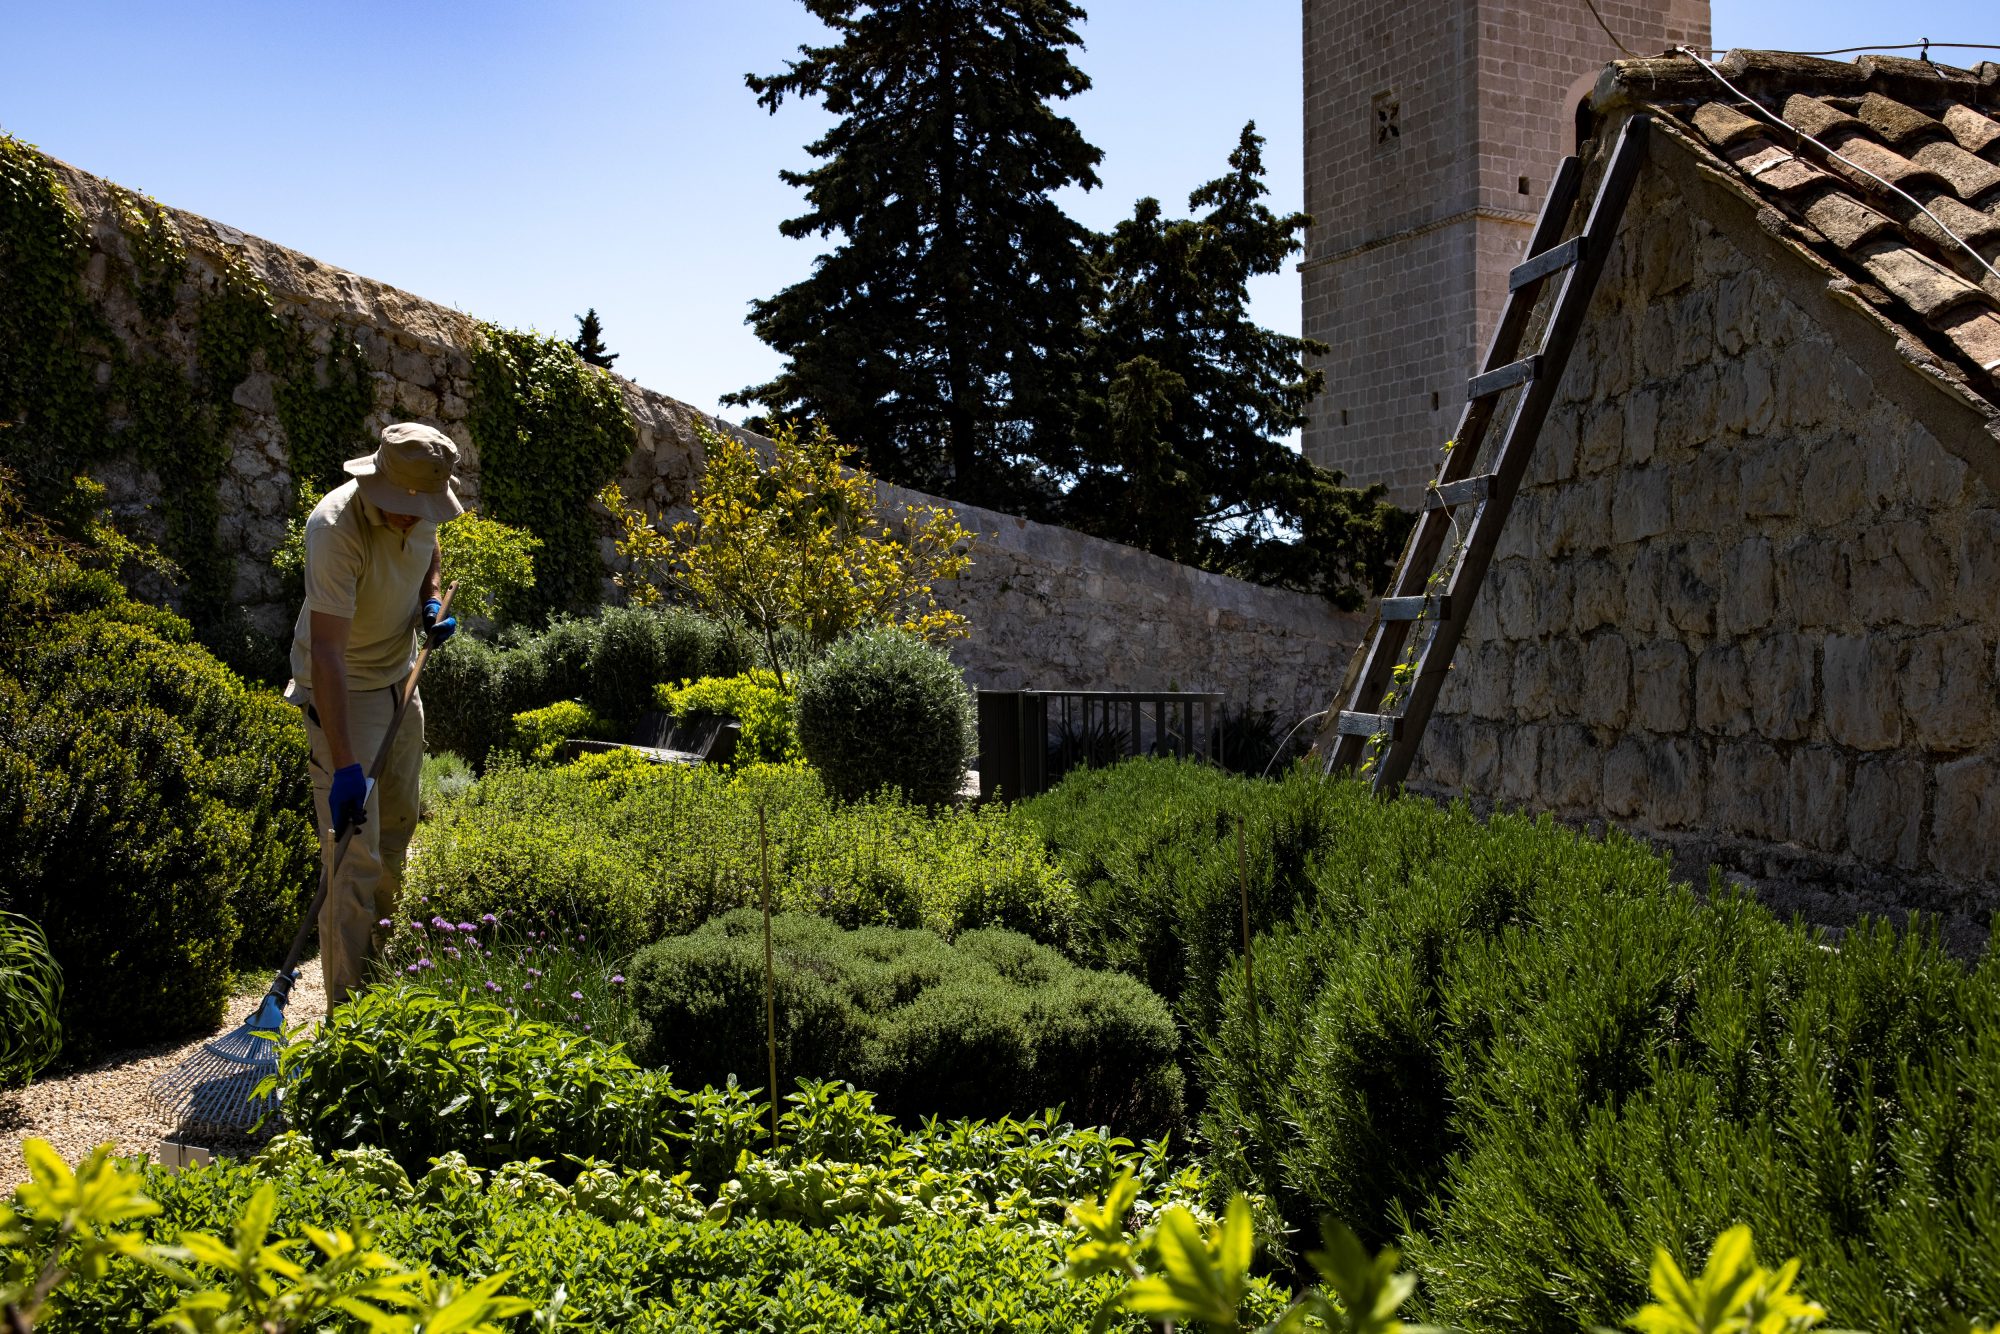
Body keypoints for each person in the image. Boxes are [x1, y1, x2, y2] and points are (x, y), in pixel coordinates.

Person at [284, 422, 461, 1006]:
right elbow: (329, 656)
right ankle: (347, 1018)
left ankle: (378, 981)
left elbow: (428, 550)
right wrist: (343, 766)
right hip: (344, 689)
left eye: (421, 509)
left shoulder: (420, 502)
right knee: (353, 853)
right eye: (401, 508)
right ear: (376, 480)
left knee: (397, 831)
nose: (411, 518)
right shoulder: (334, 529)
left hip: (399, 683)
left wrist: (430, 600)